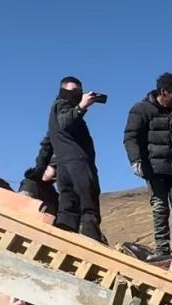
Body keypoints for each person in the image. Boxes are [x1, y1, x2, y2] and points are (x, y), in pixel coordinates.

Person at [124, 72, 172, 260]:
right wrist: (136, 161)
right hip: (154, 169)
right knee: (160, 208)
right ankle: (162, 250)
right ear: (164, 91)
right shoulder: (141, 110)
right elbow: (130, 137)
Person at [47, 76, 105, 241]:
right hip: (78, 163)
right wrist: (81, 106)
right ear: (63, 90)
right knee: (89, 207)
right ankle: (91, 248)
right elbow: (66, 121)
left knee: (67, 208)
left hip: (64, 166)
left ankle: (62, 244)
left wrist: (45, 165)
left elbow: (48, 140)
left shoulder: (54, 111)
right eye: (72, 90)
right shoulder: (62, 105)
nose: (77, 94)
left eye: (79, 91)